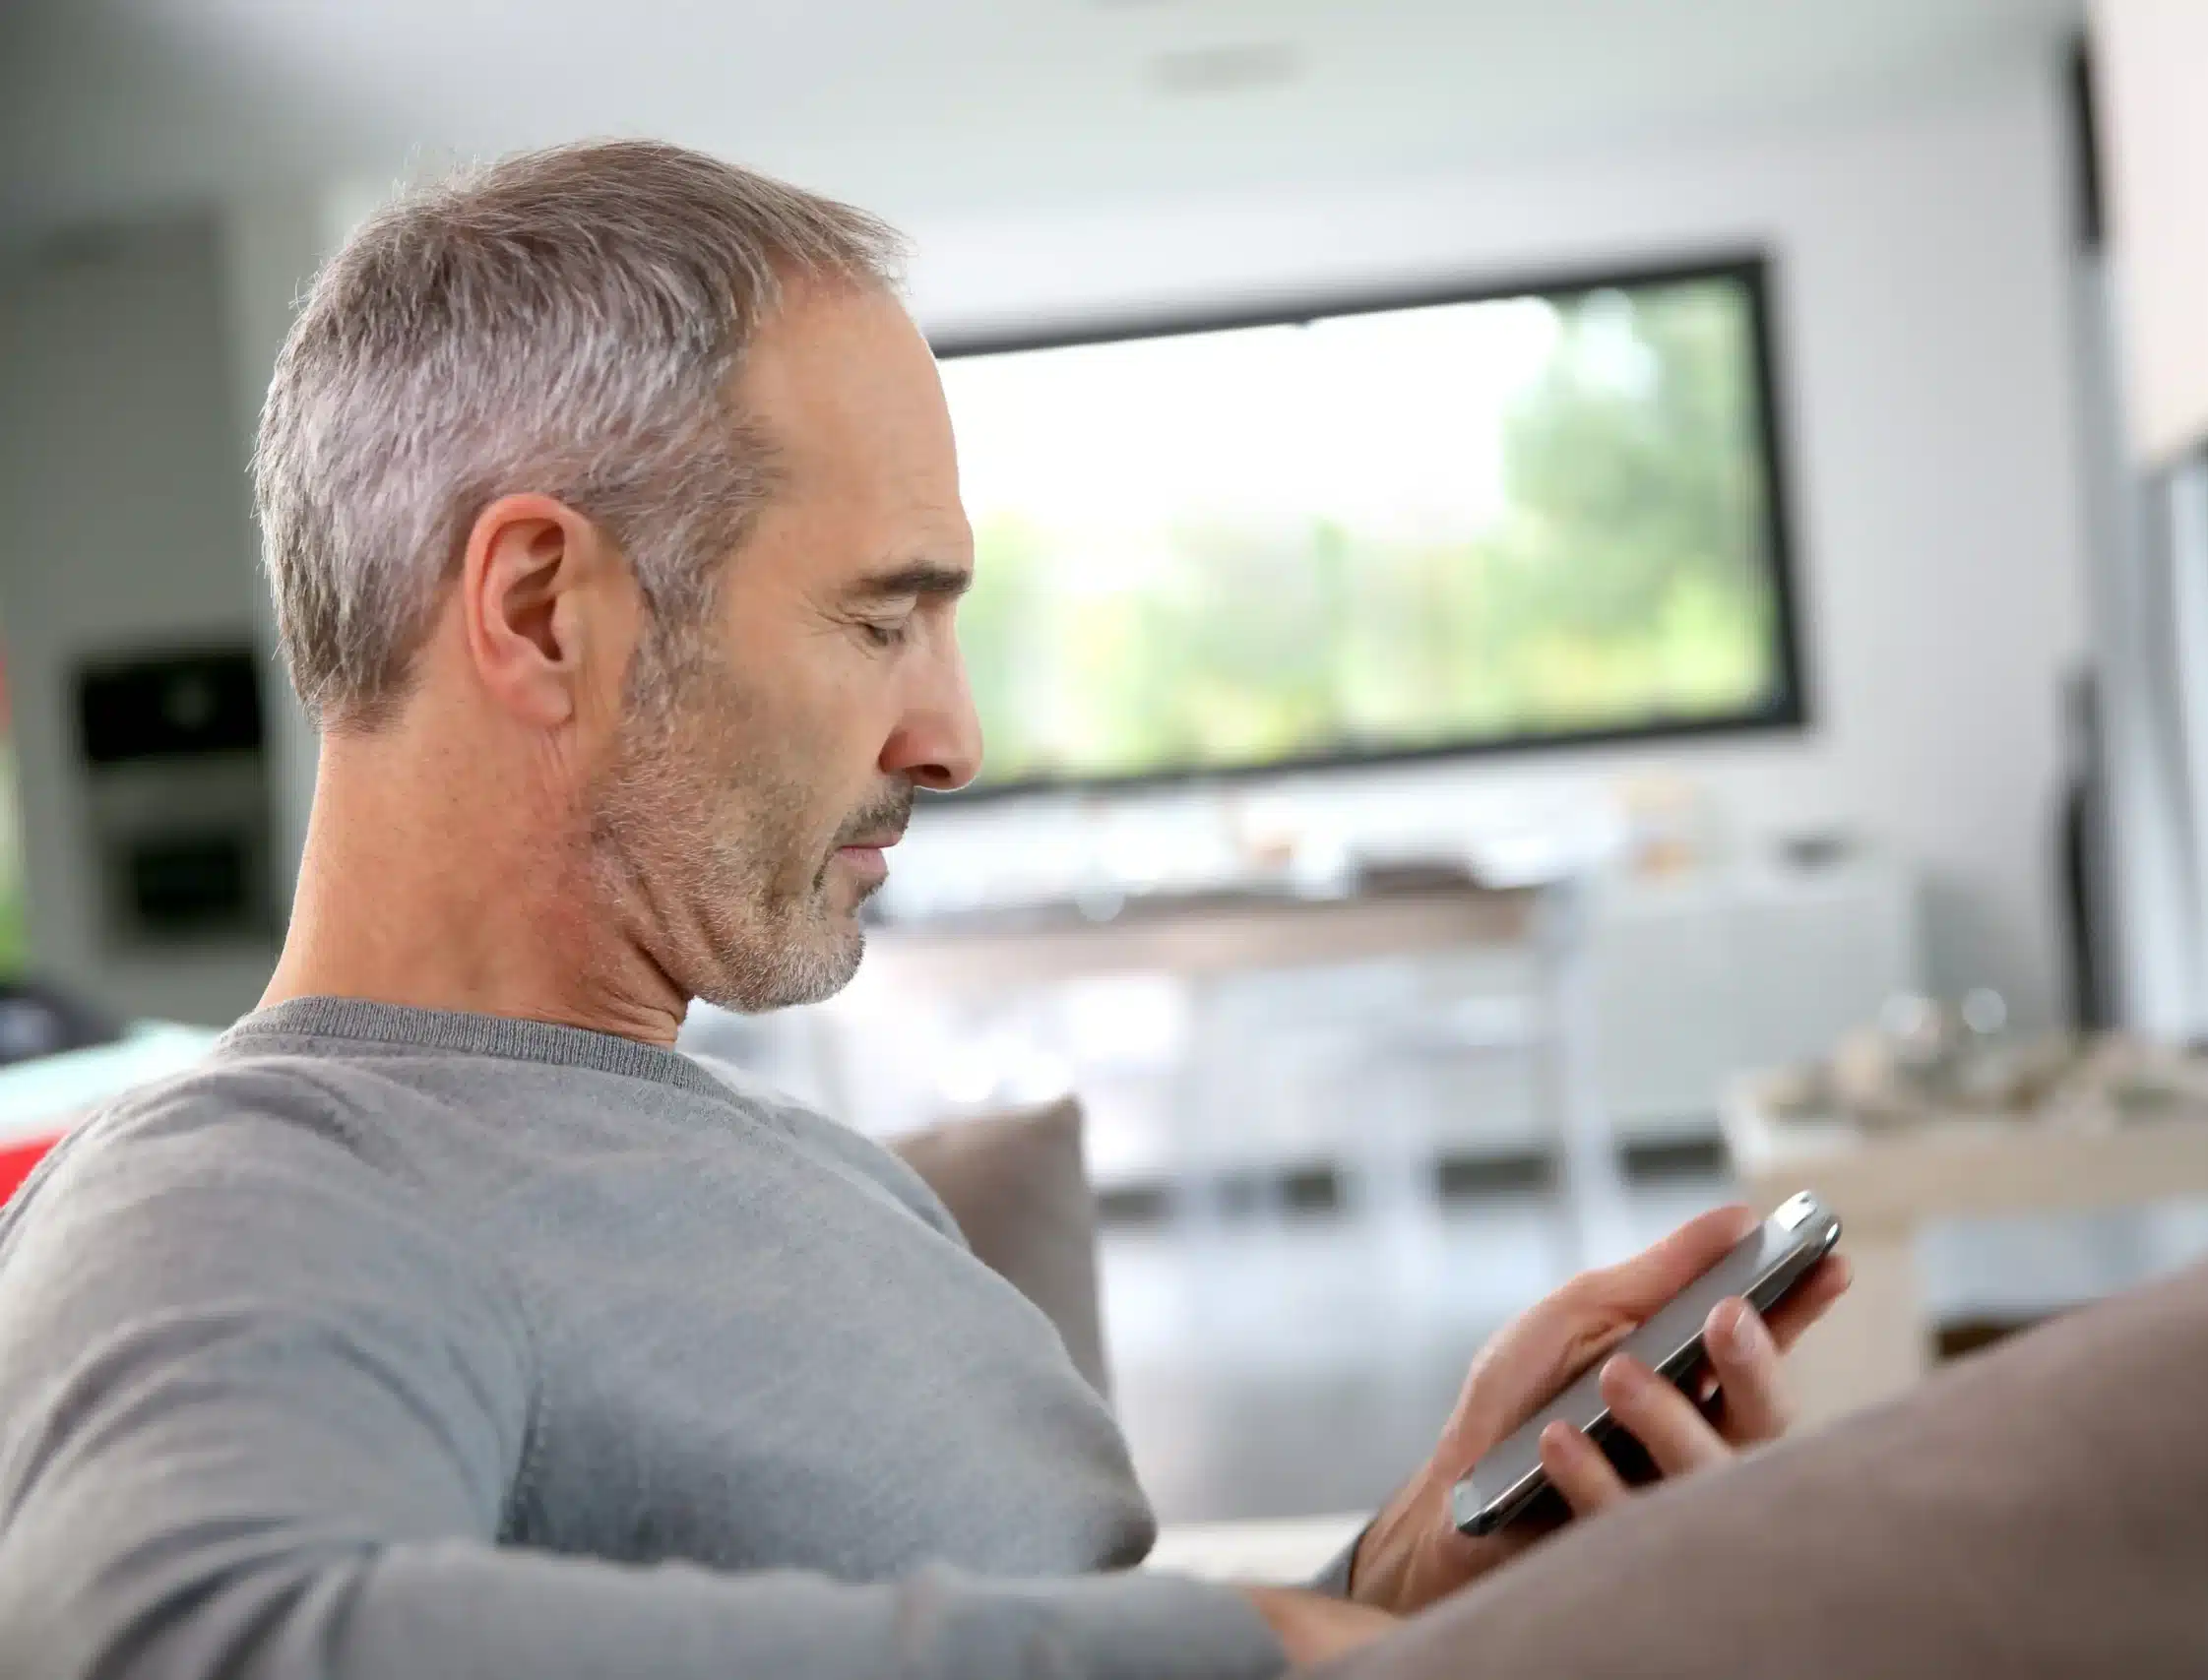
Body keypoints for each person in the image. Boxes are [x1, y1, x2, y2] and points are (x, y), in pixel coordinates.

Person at [0, 140, 1849, 1679]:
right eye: (883, 620)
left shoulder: (817, 1174)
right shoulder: (254, 1177)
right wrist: (1267, 1652)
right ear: (543, 610)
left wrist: (1402, 1564)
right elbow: (178, 1634)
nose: (951, 737)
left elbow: (1066, 1621)